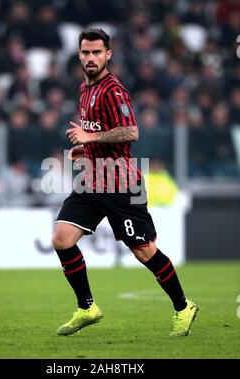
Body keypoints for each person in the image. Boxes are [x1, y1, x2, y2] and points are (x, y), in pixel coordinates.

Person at [52, 28, 198, 337]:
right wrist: (85, 148)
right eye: (86, 52)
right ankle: (87, 307)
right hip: (93, 178)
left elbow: (131, 132)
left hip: (121, 183)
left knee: (144, 251)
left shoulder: (112, 89)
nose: (91, 58)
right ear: (78, 55)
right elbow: (99, 133)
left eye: (97, 52)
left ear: (108, 54)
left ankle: (183, 307)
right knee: (62, 238)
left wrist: (90, 136)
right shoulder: (84, 89)